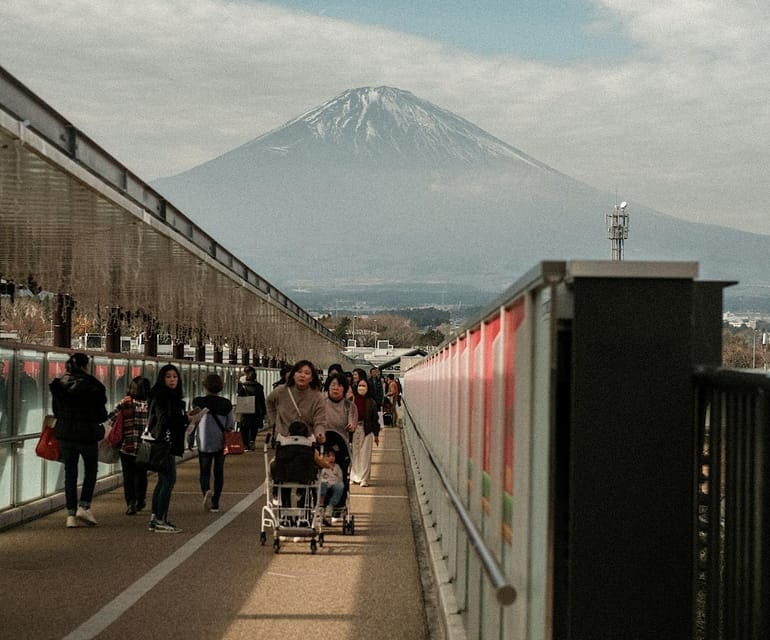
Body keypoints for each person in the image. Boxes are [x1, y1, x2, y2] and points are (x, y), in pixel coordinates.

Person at [49, 353, 108, 528]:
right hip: (86, 434)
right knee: (90, 470)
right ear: (85, 366)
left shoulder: (59, 386)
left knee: (70, 473)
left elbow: (56, 412)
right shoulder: (92, 386)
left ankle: (70, 515)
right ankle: (84, 506)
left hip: (66, 434)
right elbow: (101, 415)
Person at [147, 364, 195, 533]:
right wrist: (185, 419)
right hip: (165, 444)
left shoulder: (163, 395)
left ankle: (156, 517)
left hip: (163, 443)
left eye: (175, 376)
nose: (172, 380)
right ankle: (160, 519)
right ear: (162, 378)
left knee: (163, 480)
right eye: (168, 377)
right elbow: (165, 420)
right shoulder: (164, 397)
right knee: (168, 480)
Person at [108, 376, 151, 516]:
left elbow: (111, 419)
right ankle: (140, 500)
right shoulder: (150, 404)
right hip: (145, 446)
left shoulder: (126, 402)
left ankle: (130, 503)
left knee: (128, 476)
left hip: (127, 445)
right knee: (141, 475)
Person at [192, 374, 234, 513]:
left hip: (204, 441)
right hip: (221, 442)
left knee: (204, 471)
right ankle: (215, 502)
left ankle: (206, 491)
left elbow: (193, 421)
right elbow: (230, 425)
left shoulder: (198, 402)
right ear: (220, 387)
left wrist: (190, 439)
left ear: (205, 386)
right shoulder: (226, 403)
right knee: (218, 471)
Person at [267, 359, 327, 441]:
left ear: (311, 378)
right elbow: (269, 402)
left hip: (307, 440)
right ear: (293, 375)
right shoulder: (281, 391)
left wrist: (319, 434)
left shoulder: (317, 397)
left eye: (307, 373)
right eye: (299, 372)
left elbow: (319, 421)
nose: (302, 375)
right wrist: (275, 421)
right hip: (283, 439)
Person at [349, 377, 380, 487]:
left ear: (368, 388)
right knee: (355, 453)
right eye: (360, 385)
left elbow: (375, 419)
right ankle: (354, 476)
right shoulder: (352, 400)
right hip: (354, 429)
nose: (361, 388)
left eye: (364, 386)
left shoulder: (371, 402)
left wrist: (376, 434)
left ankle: (364, 478)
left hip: (367, 430)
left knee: (365, 454)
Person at [237, 366, 266, 450]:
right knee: (254, 427)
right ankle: (252, 441)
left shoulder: (243, 386)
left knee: (244, 427)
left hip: (245, 409)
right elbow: (262, 399)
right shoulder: (259, 387)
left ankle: (245, 444)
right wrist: (264, 411)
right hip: (256, 409)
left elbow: (240, 397)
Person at [319, 449, 344, 524]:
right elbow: (320, 477)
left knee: (340, 487)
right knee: (322, 485)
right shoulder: (322, 467)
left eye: (333, 456)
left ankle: (330, 507)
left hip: (335, 483)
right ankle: (321, 505)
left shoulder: (337, 467)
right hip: (325, 482)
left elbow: (340, 477)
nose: (332, 457)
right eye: (329, 456)